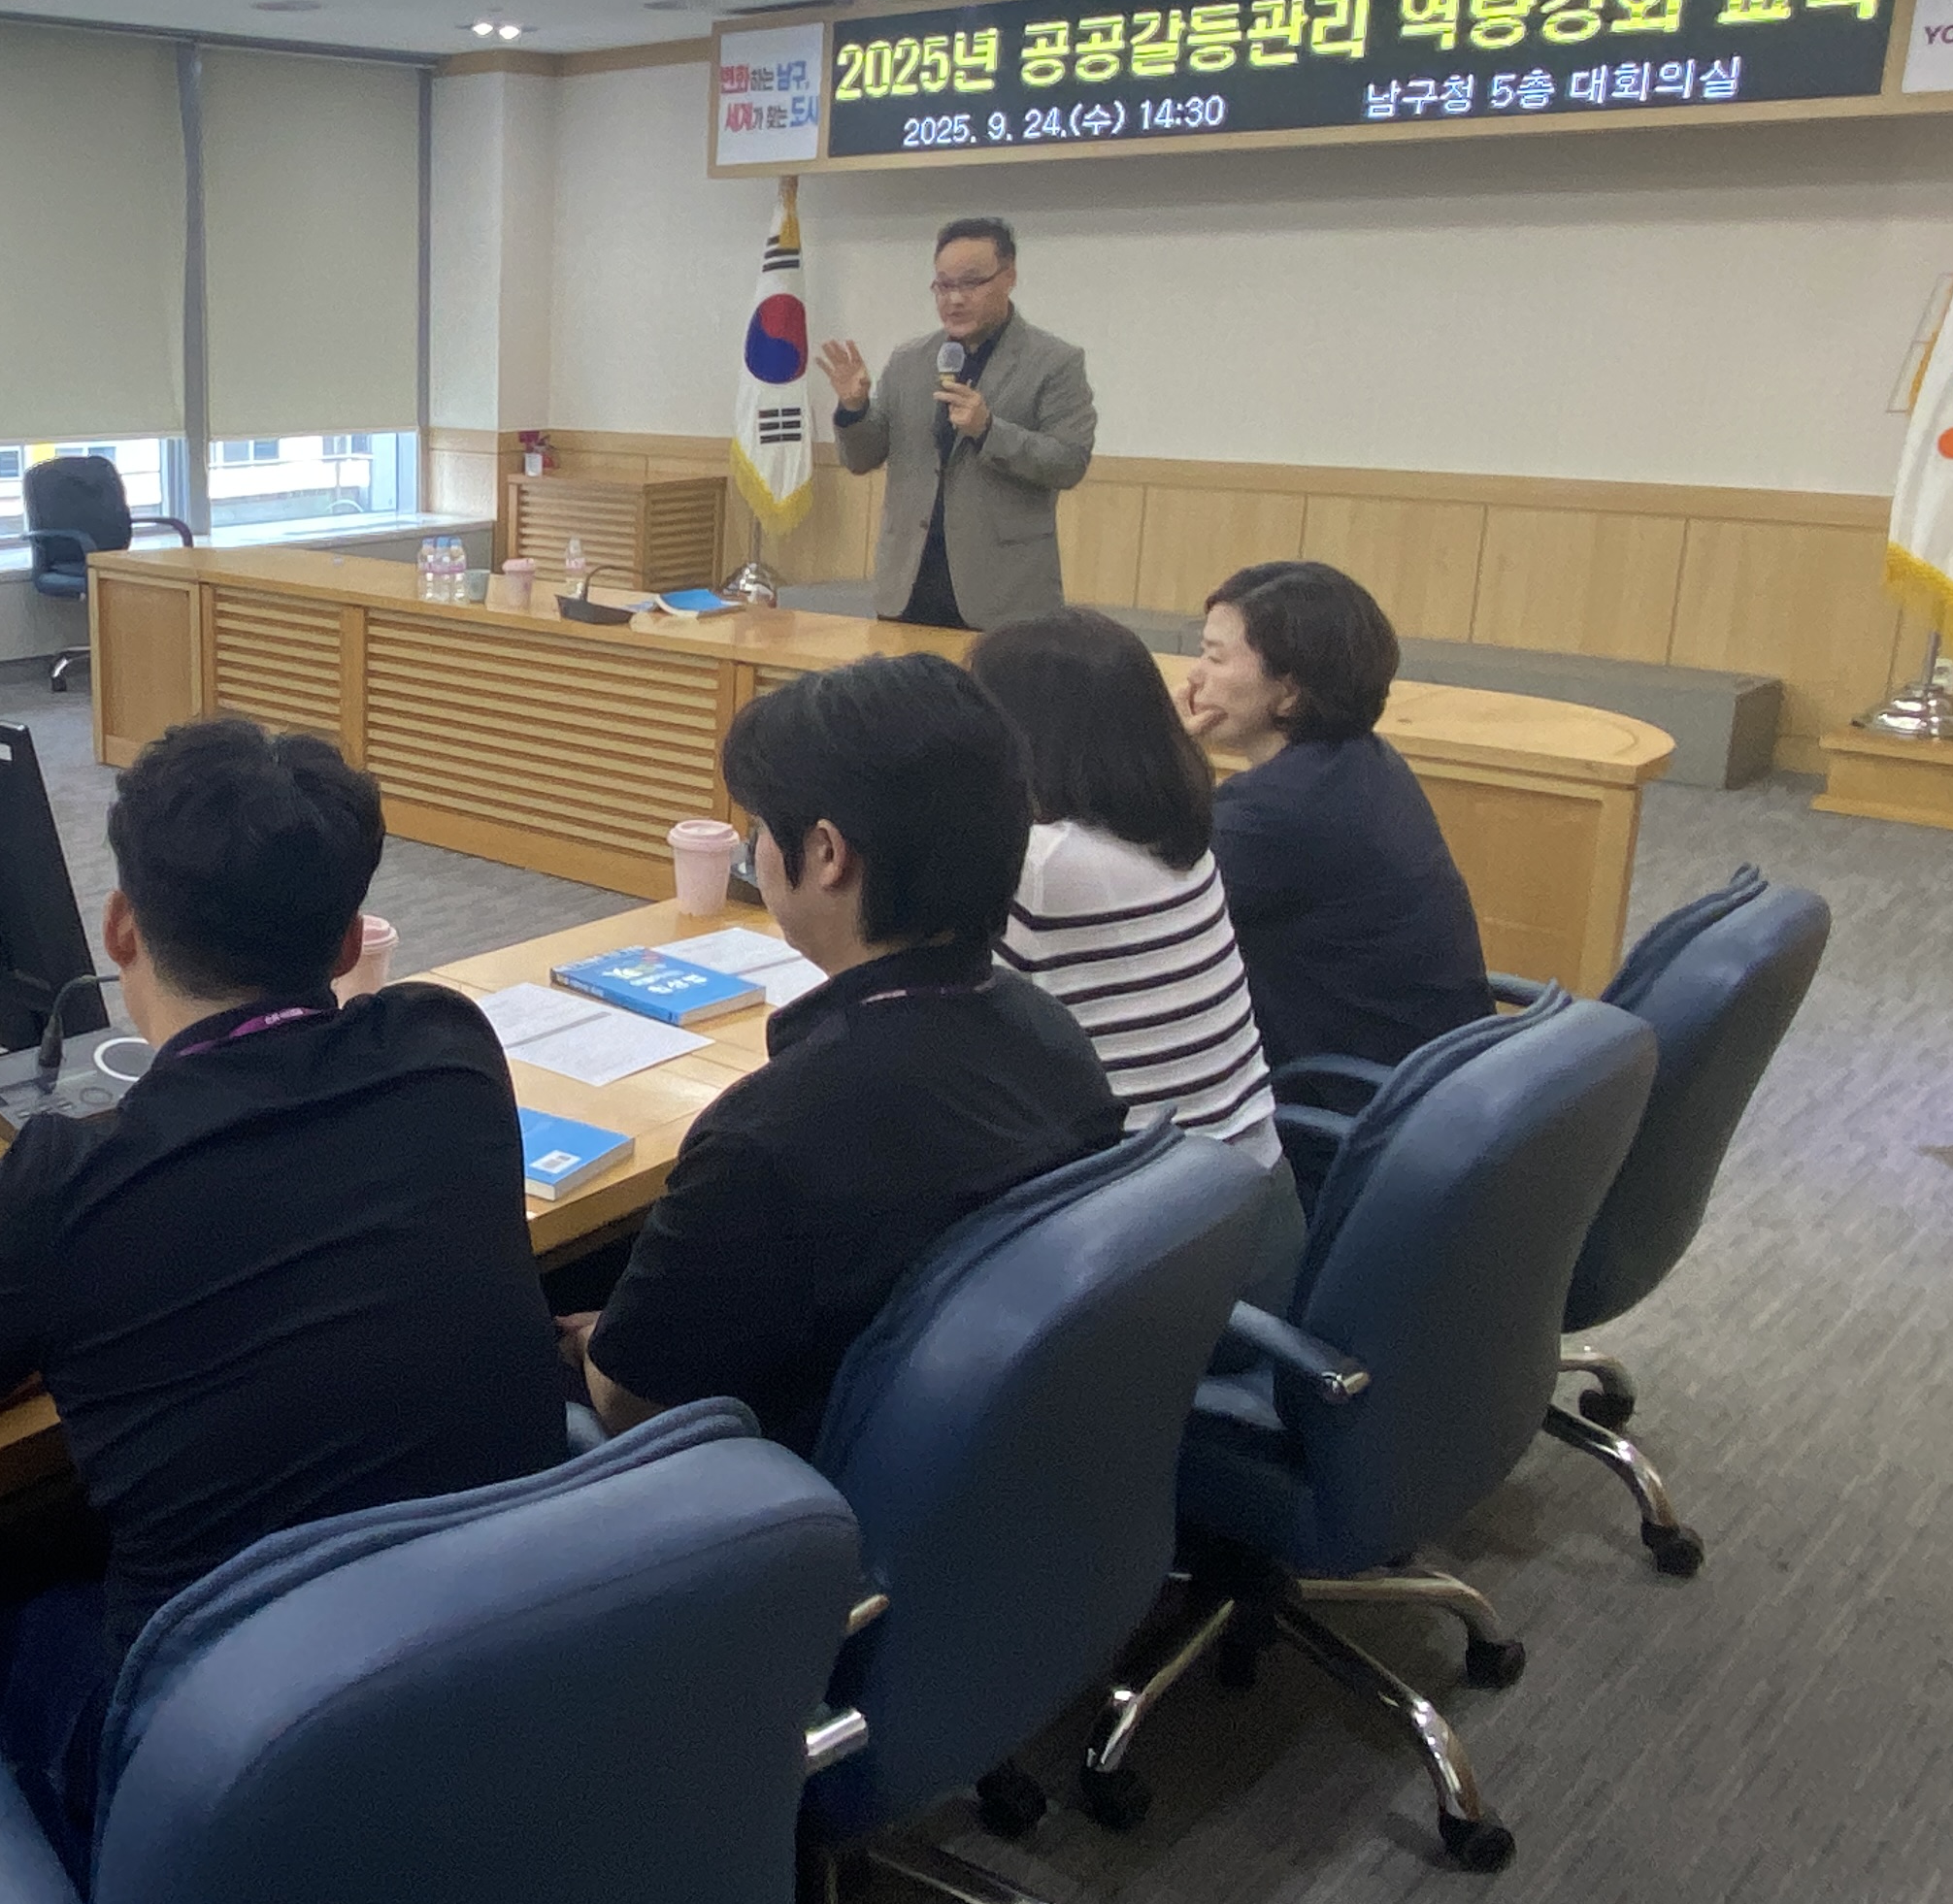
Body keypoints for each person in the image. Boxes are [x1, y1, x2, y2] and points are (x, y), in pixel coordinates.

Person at [0, 717, 564, 1870]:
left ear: (120, 925)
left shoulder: (74, 1178)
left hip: (226, 1762)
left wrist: (28, 1335)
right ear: (342, 944)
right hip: (493, 1660)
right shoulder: (449, 1050)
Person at [578, 653, 1124, 1451]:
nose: (756, 851)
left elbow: (636, 1405)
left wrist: (595, 1345)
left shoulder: (770, 1135)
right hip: (988, 1467)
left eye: (763, 828)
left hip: (797, 1504)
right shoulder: (1050, 1035)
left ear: (828, 855)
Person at [973, 607, 1301, 1307]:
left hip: (1152, 1263)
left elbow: (929, 1005)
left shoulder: (1041, 866)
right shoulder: (1176, 830)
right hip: (1252, 1215)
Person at [1187, 559, 1491, 1073]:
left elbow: (1137, 910)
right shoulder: (1365, 760)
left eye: (1215, 659)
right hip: (1430, 1085)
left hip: (1348, 1106)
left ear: (1288, 690)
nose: (1194, 676)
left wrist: (1153, 752)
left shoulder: (1275, 809)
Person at [815, 217, 1096, 631]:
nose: (955, 299)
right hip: (909, 585)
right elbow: (862, 459)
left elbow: (1069, 461)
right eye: (943, 285)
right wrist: (854, 409)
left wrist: (988, 430)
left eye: (971, 283)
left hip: (1004, 595)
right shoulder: (910, 360)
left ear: (1009, 277)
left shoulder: (1055, 362)